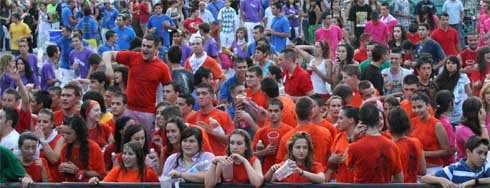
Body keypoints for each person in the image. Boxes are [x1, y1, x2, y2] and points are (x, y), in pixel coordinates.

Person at [103, 34, 172, 135]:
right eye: (143, 45)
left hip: (147, 112)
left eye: (149, 47)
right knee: (125, 139)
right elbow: (107, 54)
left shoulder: (162, 67)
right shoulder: (133, 57)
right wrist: (108, 67)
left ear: (157, 48)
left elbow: (169, 88)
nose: (145, 49)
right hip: (128, 109)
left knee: (144, 142)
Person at [345, 103, 403, 183]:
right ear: (378, 120)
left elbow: (347, 165)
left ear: (361, 121)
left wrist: (353, 139)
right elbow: (399, 179)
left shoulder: (354, 147)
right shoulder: (392, 145)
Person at [276, 97, 333, 169]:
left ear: (295, 113)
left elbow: (280, 165)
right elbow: (331, 158)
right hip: (321, 176)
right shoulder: (325, 133)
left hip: (296, 178)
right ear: (311, 113)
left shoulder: (286, 138)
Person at [186, 83, 235, 156]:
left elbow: (232, 140)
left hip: (218, 158)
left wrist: (210, 131)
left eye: (204, 93)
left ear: (212, 96)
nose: (200, 96)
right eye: (198, 94)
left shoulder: (223, 115)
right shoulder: (191, 118)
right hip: (198, 160)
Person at [421, 135, 490, 187]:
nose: (483, 157)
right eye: (479, 153)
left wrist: (475, 181)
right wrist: (441, 180)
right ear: (468, 152)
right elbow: (424, 178)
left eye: (485, 153)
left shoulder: (484, 165)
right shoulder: (454, 169)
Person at [410, 92, 451, 174]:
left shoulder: (437, 125)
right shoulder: (412, 122)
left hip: (433, 169)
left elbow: (447, 151)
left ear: (428, 106)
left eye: (420, 106)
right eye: (414, 107)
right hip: (416, 169)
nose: (417, 110)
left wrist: (423, 154)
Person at [58, 116, 105, 182]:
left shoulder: (94, 147)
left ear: (78, 132)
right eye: (63, 133)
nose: (65, 136)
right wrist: (62, 169)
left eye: (68, 133)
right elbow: (62, 175)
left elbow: (101, 174)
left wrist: (79, 171)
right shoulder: (64, 149)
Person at [89, 141, 158, 184]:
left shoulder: (148, 172)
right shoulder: (116, 171)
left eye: (130, 154)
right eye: (124, 153)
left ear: (138, 157)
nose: (126, 157)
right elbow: (103, 184)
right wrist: (95, 181)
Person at [252, 99, 292, 172]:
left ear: (282, 113)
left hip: (284, 171)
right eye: (270, 111)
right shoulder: (261, 132)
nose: (273, 114)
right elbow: (250, 154)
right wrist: (264, 152)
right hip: (265, 171)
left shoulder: (290, 131)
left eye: (276, 111)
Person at [388, 107, 426, 183]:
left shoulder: (390, 147)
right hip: (413, 184)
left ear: (390, 125)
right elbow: (422, 171)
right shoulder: (416, 142)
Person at [325, 106, 358, 182]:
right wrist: (331, 161)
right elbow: (332, 167)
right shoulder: (338, 137)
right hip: (341, 182)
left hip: (357, 183)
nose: (338, 121)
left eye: (341, 118)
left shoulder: (362, 138)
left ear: (351, 120)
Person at [435, 56, 472, 124]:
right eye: (448, 63)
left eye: (453, 63)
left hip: (460, 112)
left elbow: (469, 94)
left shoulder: (463, 77)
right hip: (445, 113)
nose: (450, 65)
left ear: (457, 65)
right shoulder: (439, 79)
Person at [33, 108, 64, 182]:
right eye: (39, 121)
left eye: (45, 122)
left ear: (52, 124)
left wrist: (42, 139)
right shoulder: (33, 137)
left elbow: (54, 160)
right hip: (35, 180)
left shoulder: (59, 138)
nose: (41, 124)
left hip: (53, 181)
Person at [434, 90, 457, 165]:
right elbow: (450, 149)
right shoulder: (445, 124)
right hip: (447, 163)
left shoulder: (435, 120)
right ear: (450, 104)